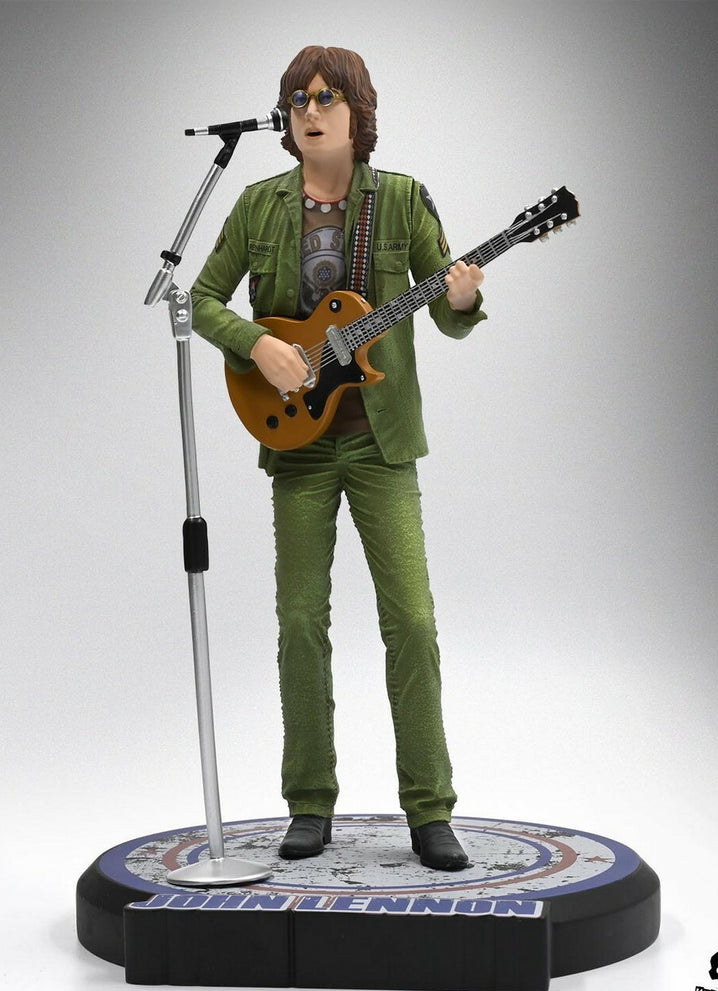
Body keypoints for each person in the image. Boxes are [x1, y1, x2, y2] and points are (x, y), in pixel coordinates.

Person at [191, 45, 485, 870]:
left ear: (359, 111)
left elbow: (448, 310)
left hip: (382, 443)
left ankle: (430, 808)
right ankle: (309, 801)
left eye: (326, 97)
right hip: (298, 445)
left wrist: (463, 295)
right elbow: (203, 299)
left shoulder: (402, 200)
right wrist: (258, 345)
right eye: (297, 99)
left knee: (412, 620)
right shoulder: (259, 206)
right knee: (299, 620)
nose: (310, 111)